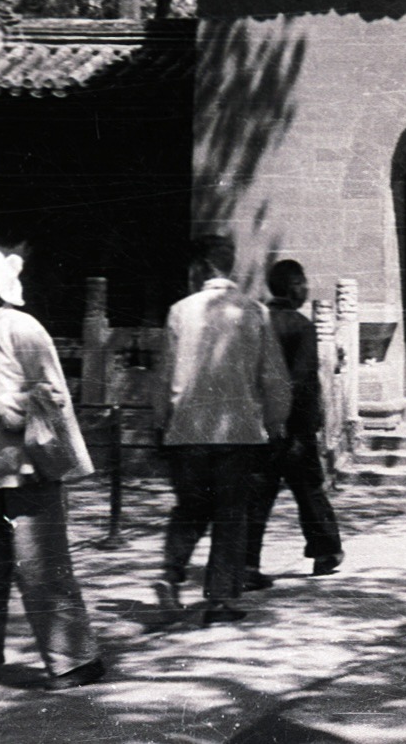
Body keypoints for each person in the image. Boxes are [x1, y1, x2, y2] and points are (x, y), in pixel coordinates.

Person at [0, 248, 104, 690]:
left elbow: (53, 393)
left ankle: (76, 661)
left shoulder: (22, 326)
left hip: (29, 470)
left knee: (41, 569)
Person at [153, 236, 290, 624]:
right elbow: (273, 376)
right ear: (228, 266)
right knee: (231, 514)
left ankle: (171, 572)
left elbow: (163, 374)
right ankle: (220, 600)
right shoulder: (254, 312)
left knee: (191, 508)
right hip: (239, 431)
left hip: (188, 430)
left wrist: (160, 419)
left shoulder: (179, 311)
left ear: (200, 267)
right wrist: (276, 420)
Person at [243, 260, 343, 586]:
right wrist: (306, 426)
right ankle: (325, 550)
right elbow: (301, 382)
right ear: (290, 286)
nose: (306, 289)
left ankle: (247, 564)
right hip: (293, 426)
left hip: (260, 424)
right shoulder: (301, 326)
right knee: (309, 489)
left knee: (258, 495)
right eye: (301, 283)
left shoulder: (257, 322)